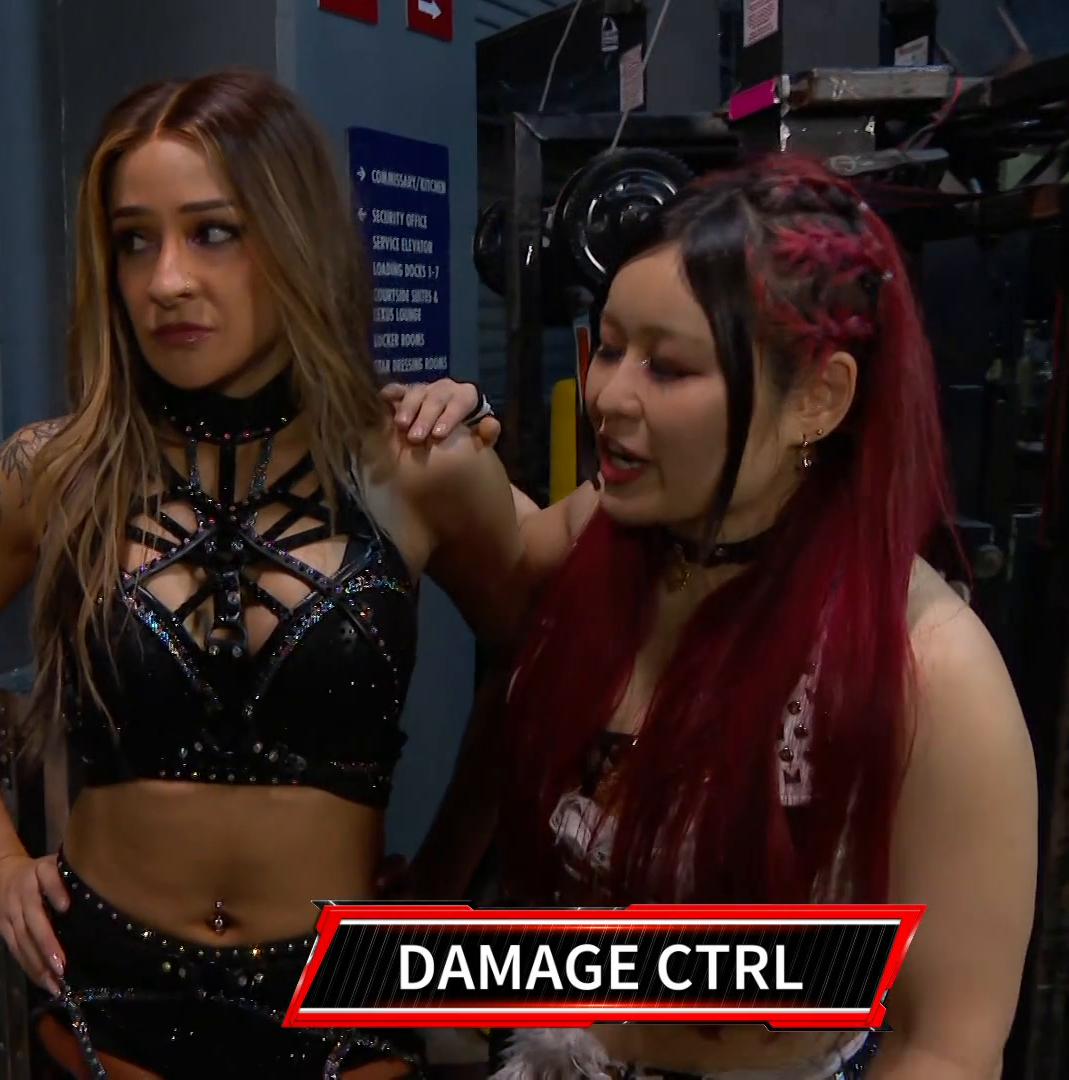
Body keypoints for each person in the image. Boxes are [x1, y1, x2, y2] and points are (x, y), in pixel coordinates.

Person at [0, 69, 526, 1080]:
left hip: (344, 992)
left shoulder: (420, 465)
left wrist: (447, 880)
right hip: (109, 993)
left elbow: (534, 661)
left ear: (294, 234)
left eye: (213, 232)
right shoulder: (51, 472)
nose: (167, 280)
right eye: (134, 240)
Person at [404, 155, 1036, 1080]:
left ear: (817, 399)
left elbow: (946, 1045)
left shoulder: (930, 666)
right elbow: (478, 557)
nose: (609, 396)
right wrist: (440, 431)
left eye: (668, 367)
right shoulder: (595, 535)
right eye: (609, 348)